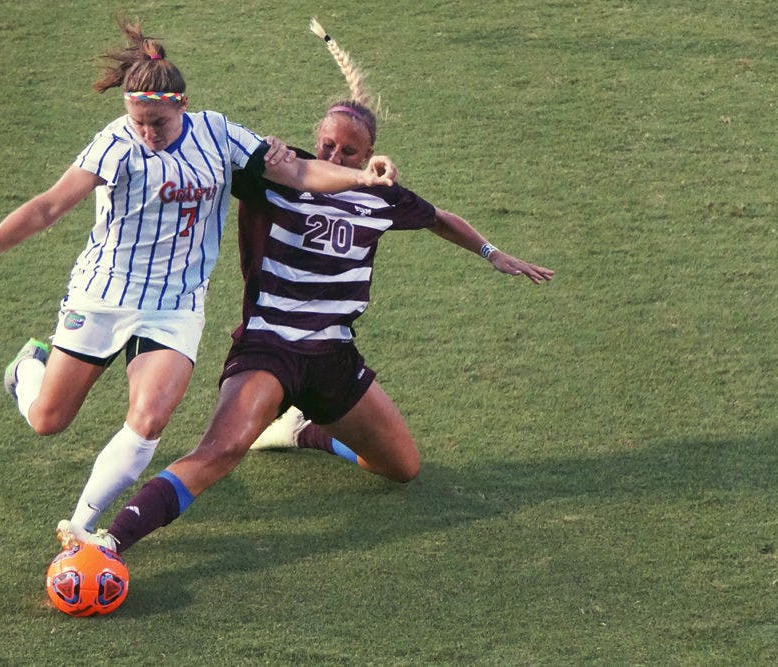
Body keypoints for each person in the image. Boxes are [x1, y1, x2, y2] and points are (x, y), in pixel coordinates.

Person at [58, 19, 553, 553]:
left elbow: (439, 218)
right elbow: (219, 162)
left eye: (349, 152)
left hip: (334, 355)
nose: (333, 158)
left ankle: (302, 430)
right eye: (327, 145)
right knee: (220, 453)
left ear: (368, 156)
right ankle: (108, 541)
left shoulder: (378, 195)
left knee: (402, 467)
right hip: (268, 349)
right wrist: (268, 151)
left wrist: (491, 252)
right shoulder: (282, 171)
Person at [0, 18, 397, 539]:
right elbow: (48, 206)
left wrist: (361, 178)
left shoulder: (217, 134)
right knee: (48, 419)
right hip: (102, 296)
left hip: (174, 306)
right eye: (137, 120)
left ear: (181, 107)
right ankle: (28, 366)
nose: (146, 133)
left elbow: (297, 173)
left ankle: (81, 529)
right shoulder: (114, 145)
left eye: (157, 123)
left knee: (149, 419)